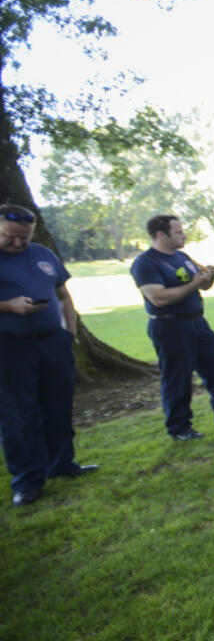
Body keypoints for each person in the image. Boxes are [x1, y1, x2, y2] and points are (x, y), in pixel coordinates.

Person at [0, 204, 97, 507]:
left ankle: (63, 463)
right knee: (18, 415)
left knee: (58, 406)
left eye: (24, 237)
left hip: (53, 343)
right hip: (10, 346)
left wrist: (70, 332)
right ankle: (27, 480)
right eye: (10, 237)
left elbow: (63, 294)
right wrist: (8, 306)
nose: (18, 243)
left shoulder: (43, 254)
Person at [130, 214, 214, 440]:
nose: (183, 235)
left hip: (197, 322)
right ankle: (179, 427)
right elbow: (158, 298)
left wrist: (209, 278)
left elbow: (201, 286)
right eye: (177, 232)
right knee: (178, 377)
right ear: (160, 234)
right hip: (169, 326)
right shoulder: (146, 263)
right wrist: (195, 283)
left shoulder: (182, 257)